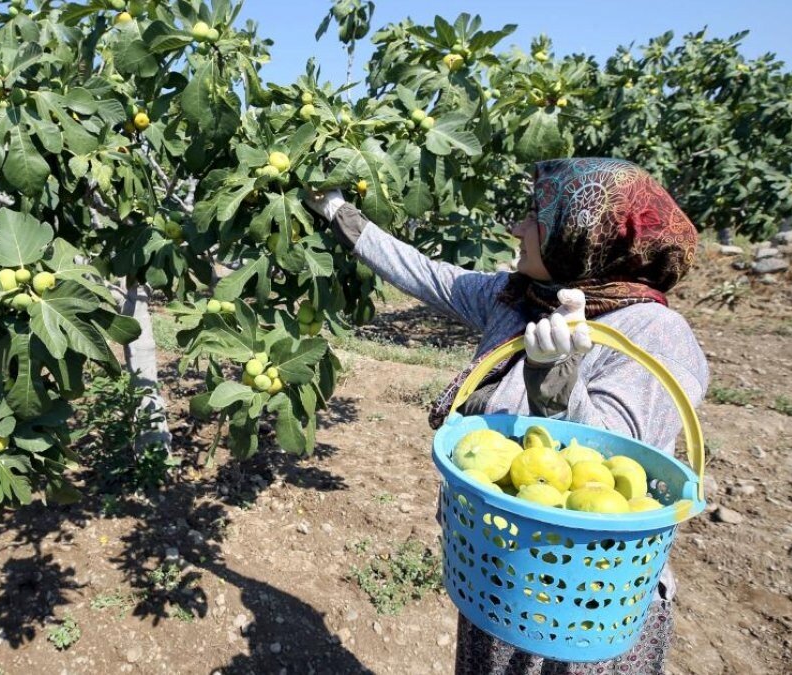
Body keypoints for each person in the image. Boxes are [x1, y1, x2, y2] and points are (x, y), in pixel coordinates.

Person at [304, 157, 709, 675]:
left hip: (587, 599)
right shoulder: (519, 299)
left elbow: (609, 461)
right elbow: (429, 276)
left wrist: (556, 381)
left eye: (535, 218)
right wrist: (341, 215)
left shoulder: (654, 334)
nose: (516, 228)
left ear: (578, 237)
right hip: (500, 573)